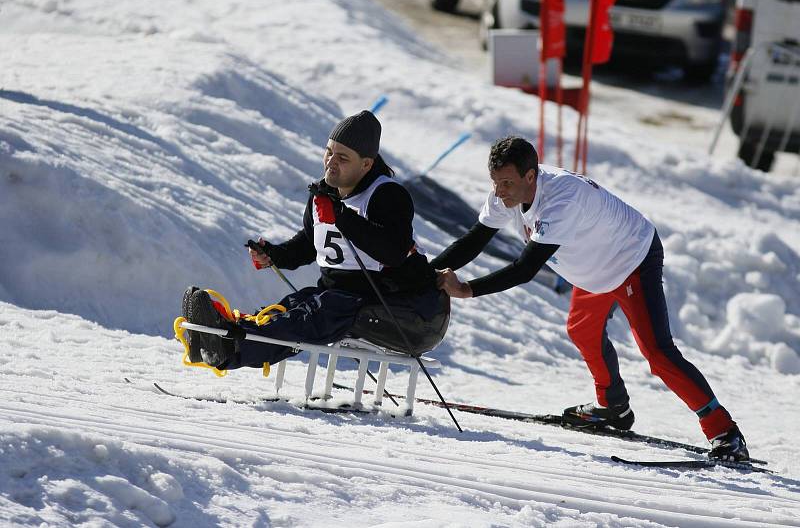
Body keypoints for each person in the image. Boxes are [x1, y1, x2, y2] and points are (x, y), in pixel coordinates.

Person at [432, 135, 748, 462]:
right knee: (582, 330)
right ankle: (613, 407)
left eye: (507, 183)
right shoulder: (507, 193)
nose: (499, 192)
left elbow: (525, 269)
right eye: (495, 183)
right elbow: (474, 240)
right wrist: (428, 272)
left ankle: (725, 432)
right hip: (595, 268)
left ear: (531, 176)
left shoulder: (561, 199)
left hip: (631, 258)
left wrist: (466, 289)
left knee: (657, 353)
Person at [183, 111, 449, 371]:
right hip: (350, 300)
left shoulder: (388, 195)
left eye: (343, 157)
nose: (331, 162)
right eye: (329, 151)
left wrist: (342, 217)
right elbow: (310, 244)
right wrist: (274, 255)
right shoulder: (324, 194)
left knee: (322, 310)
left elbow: (393, 252)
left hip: (414, 313)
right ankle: (225, 334)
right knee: (299, 305)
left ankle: (230, 346)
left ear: (366, 164)